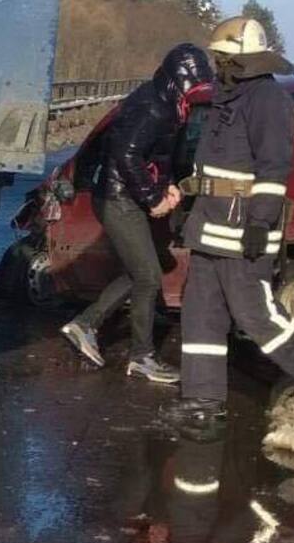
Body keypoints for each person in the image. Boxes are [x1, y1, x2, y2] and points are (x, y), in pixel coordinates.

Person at [164, 18, 294, 431]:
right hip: (210, 226)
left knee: (253, 312)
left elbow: (274, 167)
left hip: (244, 228)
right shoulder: (229, 99)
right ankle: (202, 401)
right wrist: (187, 204)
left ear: (241, 58)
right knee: (200, 313)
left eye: (221, 57)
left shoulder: (267, 100)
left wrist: (260, 222)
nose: (216, 63)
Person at [59, 44, 215, 385]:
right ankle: (141, 357)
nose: (198, 91)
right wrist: (153, 197)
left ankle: (86, 324)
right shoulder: (154, 107)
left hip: (128, 197)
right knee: (148, 275)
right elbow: (126, 154)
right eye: (193, 85)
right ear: (177, 80)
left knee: (143, 269)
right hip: (118, 200)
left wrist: (171, 185)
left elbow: (162, 157)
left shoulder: (173, 106)